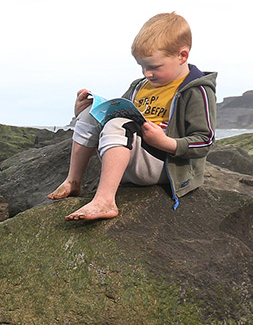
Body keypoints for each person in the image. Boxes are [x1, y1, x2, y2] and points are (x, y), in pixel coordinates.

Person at [48, 12, 218, 221]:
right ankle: (73, 181)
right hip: (130, 157)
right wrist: (83, 112)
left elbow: (205, 141)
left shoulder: (196, 90)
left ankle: (105, 201)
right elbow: (116, 112)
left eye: (154, 67)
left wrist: (165, 142)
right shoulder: (140, 86)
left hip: (165, 165)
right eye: (142, 66)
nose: (147, 73)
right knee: (91, 114)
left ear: (182, 56)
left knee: (120, 124)